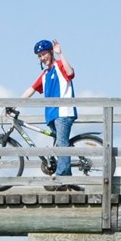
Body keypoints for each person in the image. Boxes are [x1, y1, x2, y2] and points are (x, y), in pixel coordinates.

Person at [20, 38, 77, 183]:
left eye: (44, 54)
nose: (42, 58)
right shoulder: (45, 74)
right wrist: (15, 103)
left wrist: (60, 54)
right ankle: (67, 180)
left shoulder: (59, 65)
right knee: (60, 145)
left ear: (50, 53)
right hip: (51, 114)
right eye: (39, 56)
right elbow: (31, 89)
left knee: (62, 145)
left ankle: (60, 179)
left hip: (63, 112)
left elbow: (70, 73)